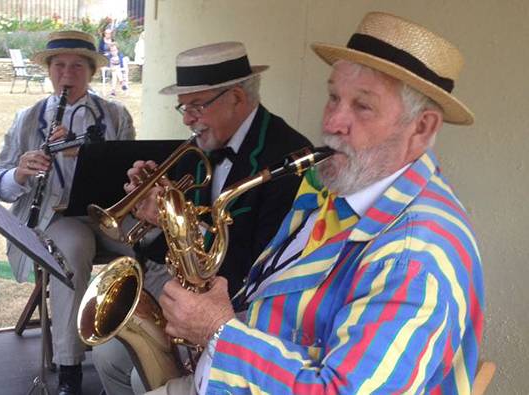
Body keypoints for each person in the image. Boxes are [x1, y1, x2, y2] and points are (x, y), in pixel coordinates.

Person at [149, 12, 484, 394]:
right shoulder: (338, 185)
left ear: (422, 127)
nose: (332, 122)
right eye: (333, 97)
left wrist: (216, 329)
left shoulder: (415, 256)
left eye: (363, 107)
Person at [93, 41, 312, 395]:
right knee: (105, 356)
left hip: (242, 311)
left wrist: (174, 220)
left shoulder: (285, 160)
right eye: (183, 106)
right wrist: (149, 213)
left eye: (196, 105)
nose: (186, 118)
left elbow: (255, 264)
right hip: (187, 295)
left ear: (237, 98)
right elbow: (163, 249)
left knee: (141, 379)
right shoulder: (198, 148)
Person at [0, 30, 136, 395]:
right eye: (60, 66)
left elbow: (130, 167)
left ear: (90, 72)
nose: (68, 74)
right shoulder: (28, 118)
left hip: (109, 211)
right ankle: (70, 367)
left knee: (152, 244)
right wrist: (20, 173)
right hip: (57, 218)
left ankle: (137, 351)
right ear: (50, 72)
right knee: (72, 249)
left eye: (77, 67)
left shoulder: (115, 115)